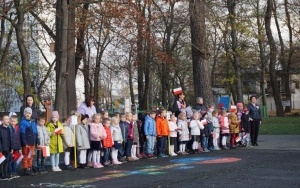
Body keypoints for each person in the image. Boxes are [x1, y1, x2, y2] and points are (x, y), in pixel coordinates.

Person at [20, 107, 40, 176]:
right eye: (27, 113)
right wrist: (24, 143)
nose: (28, 114)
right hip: (27, 143)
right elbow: (22, 133)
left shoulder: (33, 122)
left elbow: (36, 133)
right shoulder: (23, 122)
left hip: (32, 142)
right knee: (25, 156)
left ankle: (29, 167)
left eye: (29, 113)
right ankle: (25, 168)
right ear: (24, 114)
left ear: (31, 114)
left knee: (31, 156)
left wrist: (37, 141)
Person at [0, 115, 16, 180]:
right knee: (1, 162)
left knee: (7, 161)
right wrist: (0, 149)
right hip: (2, 148)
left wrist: (12, 148)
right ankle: (2, 174)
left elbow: (11, 138)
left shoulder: (10, 128)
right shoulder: (0, 129)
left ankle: (6, 173)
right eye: (6, 119)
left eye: (8, 119)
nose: (8, 121)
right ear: (2, 121)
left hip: (8, 148)